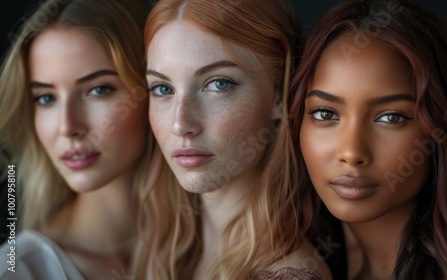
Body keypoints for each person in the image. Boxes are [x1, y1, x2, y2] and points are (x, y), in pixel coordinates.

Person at [288, 0, 447, 279]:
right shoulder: (288, 265)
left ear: (442, 128)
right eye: (325, 113)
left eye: (391, 117)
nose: (351, 152)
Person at [134, 0, 333, 279]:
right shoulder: (157, 249)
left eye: (218, 84)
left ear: (280, 94)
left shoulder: (288, 274)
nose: (180, 124)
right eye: (162, 88)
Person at [0, 0, 154, 279]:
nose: (68, 126)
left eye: (98, 90)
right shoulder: (17, 269)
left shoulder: (218, 245)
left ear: (153, 90)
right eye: (46, 98)